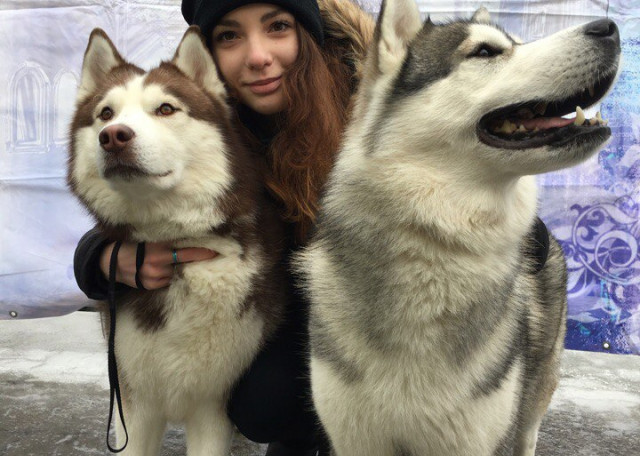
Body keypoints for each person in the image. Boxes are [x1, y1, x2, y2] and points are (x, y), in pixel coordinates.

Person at [73, 1, 374, 455]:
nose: (257, 56)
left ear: (309, 36)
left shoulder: (374, 109)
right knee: (263, 402)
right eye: (229, 36)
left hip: (384, 318)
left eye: (277, 26)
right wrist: (100, 256)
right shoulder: (218, 116)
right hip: (294, 315)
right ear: (210, 55)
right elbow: (141, 210)